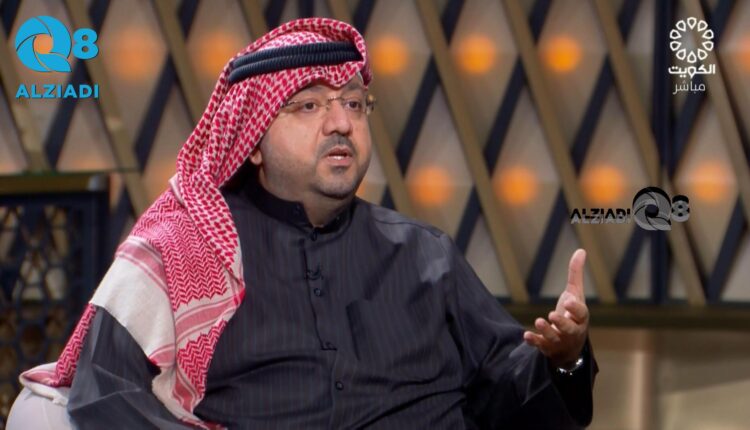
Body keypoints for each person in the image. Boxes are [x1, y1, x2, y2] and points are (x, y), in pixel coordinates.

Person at [10, 18, 596, 429]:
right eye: (309, 105)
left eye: (353, 104)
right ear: (252, 140)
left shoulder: (427, 256)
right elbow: (103, 391)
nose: (340, 123)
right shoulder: (189, 249)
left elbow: (509, 398)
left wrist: (565, 357)